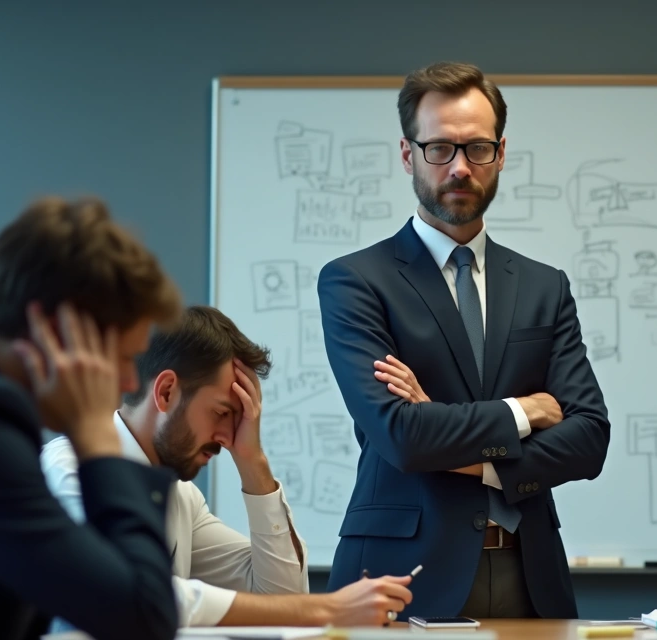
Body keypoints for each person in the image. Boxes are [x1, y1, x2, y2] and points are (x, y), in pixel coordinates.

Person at [318, 61, 610, 619]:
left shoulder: (544, 286)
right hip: (400, 576)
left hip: (531, 574)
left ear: (500, 153)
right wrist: (524, 411)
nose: (459, 167)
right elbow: (401, 436)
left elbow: (589, 437)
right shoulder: (356, 280)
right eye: (439, 149)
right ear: (408, 154)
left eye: (477, 148)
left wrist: (476, 458)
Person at [41, 305, 413, 629]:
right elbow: (124, 592)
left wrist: (253, 462)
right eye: (222, 413)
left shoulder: (180, 496)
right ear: (166, 391)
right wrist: (326, 607)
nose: (227, 436)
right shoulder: (68, 470)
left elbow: (280, 597)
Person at [0, 196, 181, 640]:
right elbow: (144, 618)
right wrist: (97, 437)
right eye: (123, 358)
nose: (130, 380)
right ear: (62, 333)